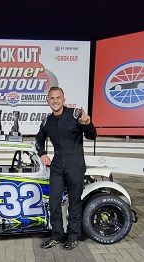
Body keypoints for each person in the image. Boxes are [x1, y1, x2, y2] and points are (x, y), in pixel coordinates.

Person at [35, 86, 96, 250]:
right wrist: (42, 153)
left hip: (75, 164)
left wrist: (88, 124)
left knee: (74, 202)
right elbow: (39, 139)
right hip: (57, 165)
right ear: (48, 101)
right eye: (52, 98)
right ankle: (57, 235)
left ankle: (73, 236)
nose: (55, 101)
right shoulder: (47, 121)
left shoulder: (76, 114)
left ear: (64, 99)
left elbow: (92, 135)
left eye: (58, 98)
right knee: (54, 202)